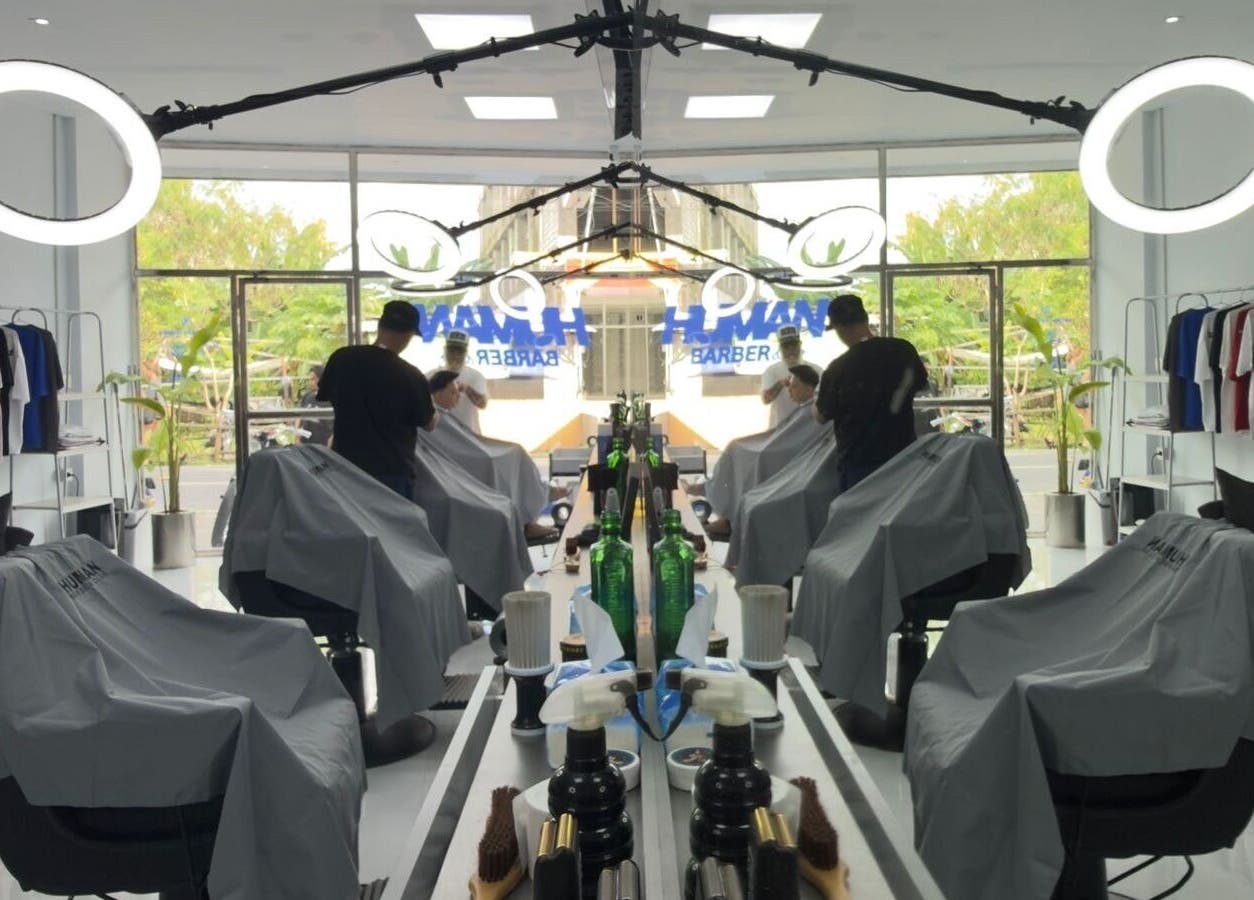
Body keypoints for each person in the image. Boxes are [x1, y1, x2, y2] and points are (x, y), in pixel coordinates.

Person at [317, 301, 438, 499]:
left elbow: (329, 398)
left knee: (352, 528)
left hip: (346, 468)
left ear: (380, 326)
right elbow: (429, 424)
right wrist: (433, 407)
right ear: (409, 335)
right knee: (392, 529)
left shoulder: (342, 359)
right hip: (392, 475)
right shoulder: (410, 375)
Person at [427, 369, 559, 542]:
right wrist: (488, 453)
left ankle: (529, 517)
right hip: (467, 462)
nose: (457, 398)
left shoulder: (442, 413)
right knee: (506, 459)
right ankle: (529, 516)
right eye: (452, 393)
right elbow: (459, 449)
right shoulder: (435, 417)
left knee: (514, 454)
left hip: (471, 455)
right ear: (437, 393)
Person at [815, 294, 928, 491]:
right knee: (898, 518)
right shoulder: (903, 350)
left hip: (858, 465)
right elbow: (920, 384)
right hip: (902, 458)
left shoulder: (838, 369)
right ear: (865, 319)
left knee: (859, 519)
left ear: (839, 329)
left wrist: (815, 401)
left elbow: (821, 416)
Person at [760, 325, 823, 428]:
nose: (791, 351)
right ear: (780, 348)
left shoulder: (816, 370)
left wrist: (807, 389)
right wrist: (780, 384)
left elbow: (825, 399)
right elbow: (765, 399)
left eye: (794, 346)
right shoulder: (771, 371)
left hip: (810, 429)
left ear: (800, 345)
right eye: (786, 347)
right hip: (780, 430)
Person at [428, 330, 488, 435]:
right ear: (445, 350)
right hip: (439, 435)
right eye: (451, 350)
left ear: (465, 353)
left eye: (459, 351)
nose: (455, 355)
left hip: (468, 434)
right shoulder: (431, 375)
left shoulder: (475, 376)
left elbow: (482, 404)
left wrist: (467, 389)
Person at [298, 365, 333, 446]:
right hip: (305, 444)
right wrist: (297, 436)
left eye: (313, 379)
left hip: (322, 446)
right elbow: (299, 416)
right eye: (309, 379)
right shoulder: (307, 396)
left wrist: (328, 451)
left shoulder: (331, 400)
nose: (310, 382)